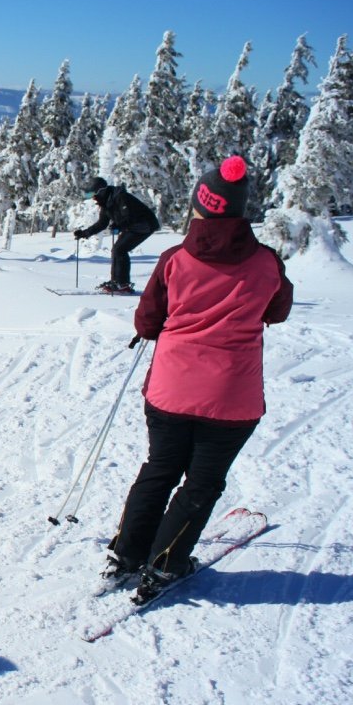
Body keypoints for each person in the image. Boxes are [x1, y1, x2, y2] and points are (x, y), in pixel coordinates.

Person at [104, 157, 293, 603]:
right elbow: (278, 311)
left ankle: (127, 555)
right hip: (232, 398)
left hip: (170, 390)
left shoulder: (176, 259)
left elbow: (148, 320)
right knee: (202, 482)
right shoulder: (267, 262)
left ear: (200, 207)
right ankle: (166, 563)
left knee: (160, 469)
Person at [74, 178, 160, 294]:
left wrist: (119, 226)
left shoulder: (120, 197)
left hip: (144, 224)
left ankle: (122, 284)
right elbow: (102, 224)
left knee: (119, 249)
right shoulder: (106, 203)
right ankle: (117, 282)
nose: (92, 197)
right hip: (132, 226)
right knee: (118, 250)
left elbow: (129, 216)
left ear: (100, 191)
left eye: (92, 193)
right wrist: (84, 233)